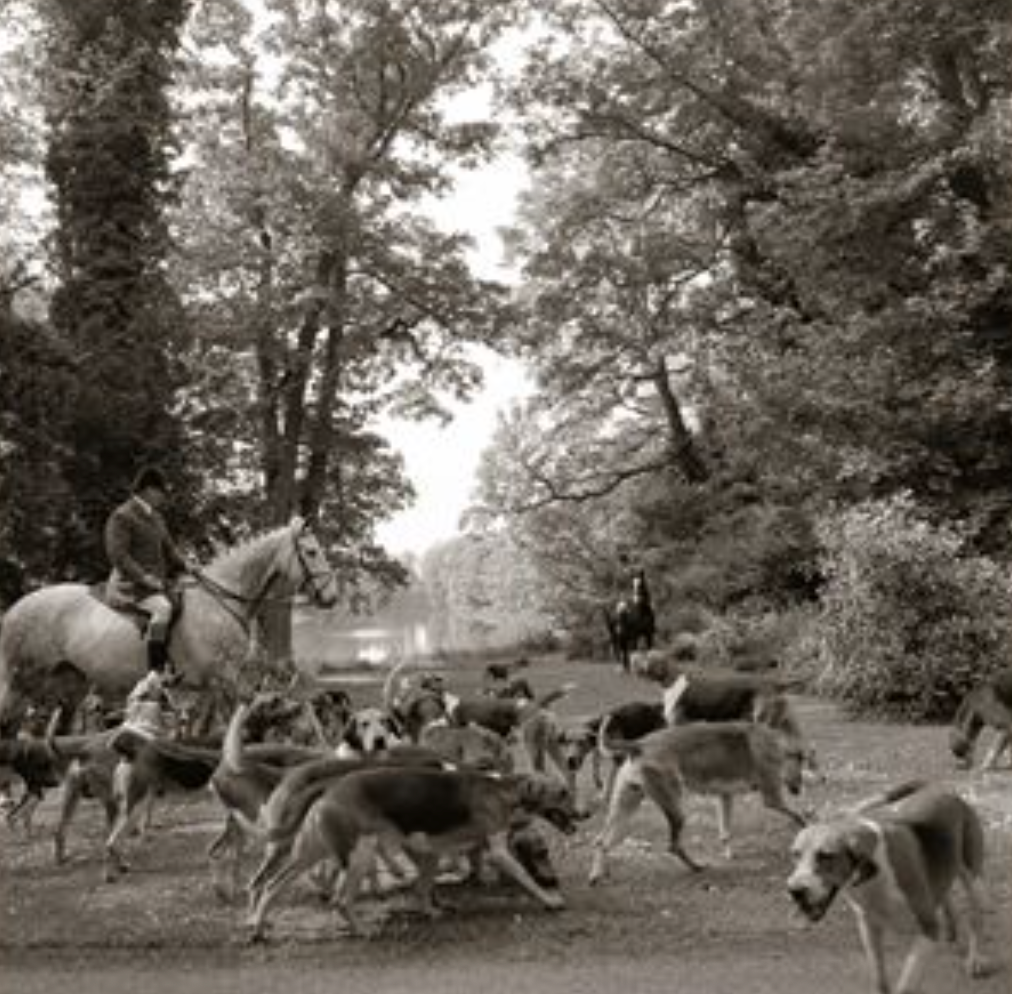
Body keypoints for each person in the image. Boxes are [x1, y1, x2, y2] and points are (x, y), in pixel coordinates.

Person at [104, 466, 190, 677]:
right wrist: (143, 577)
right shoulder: (123, 515)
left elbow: (169, 550)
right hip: (130, 584)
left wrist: (187, 565)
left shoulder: (157, 518)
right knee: (162, 608)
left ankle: (171, 656)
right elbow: (118, 554)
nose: (163, 497)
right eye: (161, 492)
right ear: (148, 490)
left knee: (185, 598)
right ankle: (155, 670)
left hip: (156, 583)